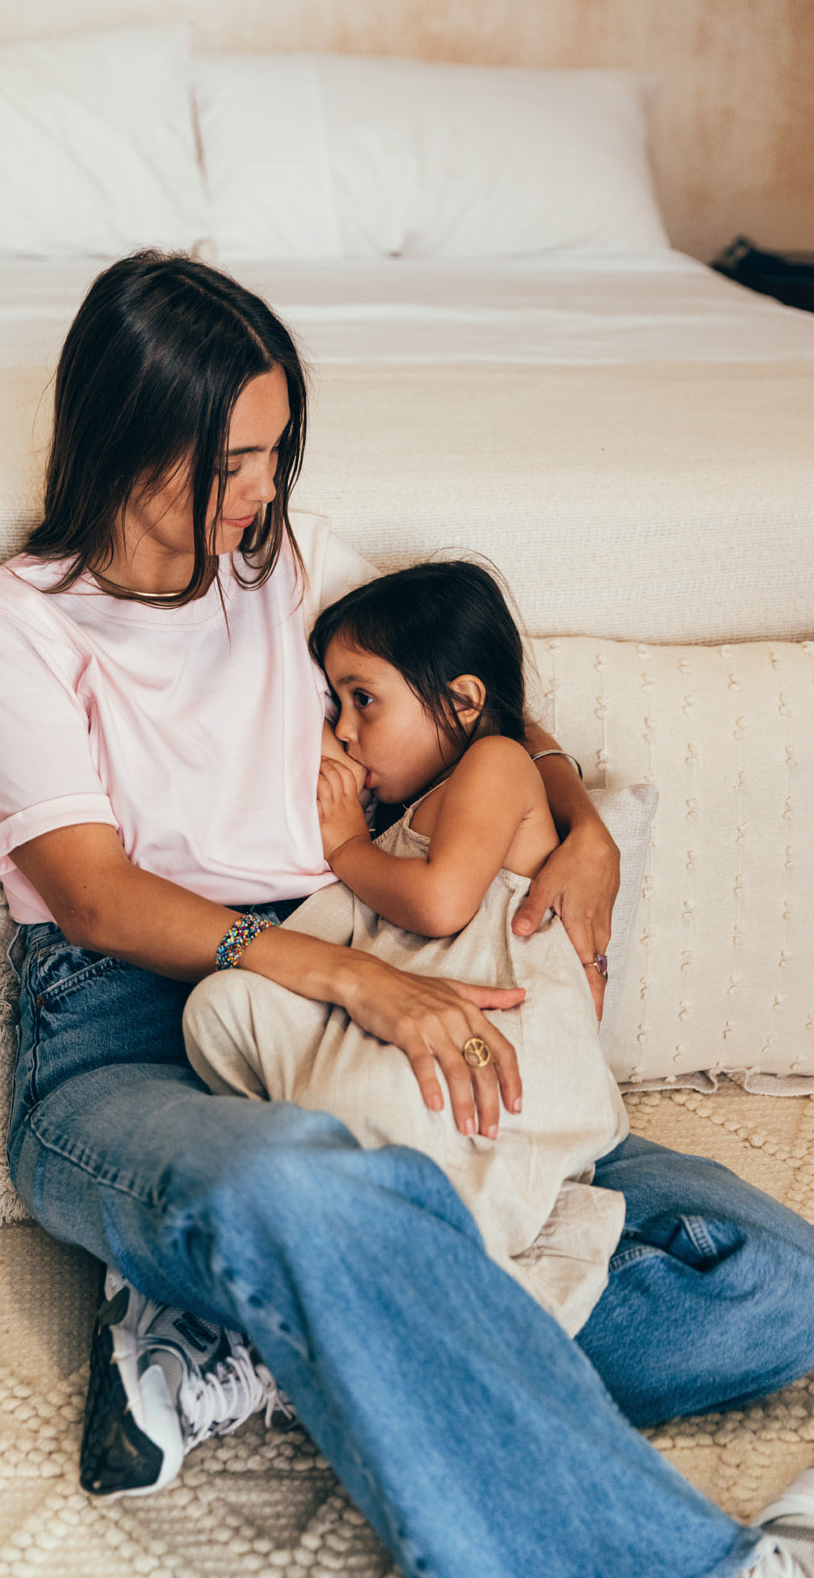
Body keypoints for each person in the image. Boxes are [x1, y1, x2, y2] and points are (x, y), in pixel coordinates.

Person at [0, 248, 814, 1578]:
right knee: (297, 1183)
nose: (253, 498)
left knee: (770, 1281)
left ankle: (267, 1342)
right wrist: (342, 976)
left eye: (269, 456)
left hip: (357, 1005)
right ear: (123, 430)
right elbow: (94, 890)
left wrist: (577, 828)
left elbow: (475, 691)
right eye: (224, 461)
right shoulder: (14, 623)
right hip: (125, 1031)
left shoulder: (282, 563)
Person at [185, 559, 629, 1337]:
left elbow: (439, 903)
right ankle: (335, 1176)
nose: (346, 732)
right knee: (219, 1007)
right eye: (336, 703)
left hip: (504, 1036)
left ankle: (419, 1262)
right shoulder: (415, 804)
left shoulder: (496, 765)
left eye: (364, 700)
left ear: (461, 702)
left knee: (376, 1103)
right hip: (408, 1015)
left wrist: (349, 848)